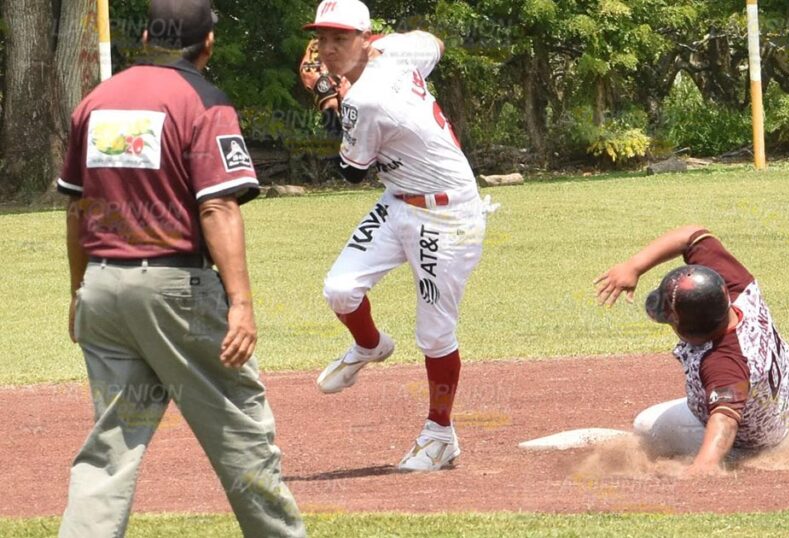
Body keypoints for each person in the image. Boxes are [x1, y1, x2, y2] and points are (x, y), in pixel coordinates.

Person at [57, 1, 305, 535]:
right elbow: (217, 206)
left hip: (102, 289)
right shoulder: (202, 101)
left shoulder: (97, 101)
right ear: (207, 43)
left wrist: (78, 290)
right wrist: (240, 302)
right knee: (239, 430)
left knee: (110, 446)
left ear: (147, 35)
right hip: (175, 291)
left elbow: (77, 208)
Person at [302, 0, 494, 472]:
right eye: (322, 37)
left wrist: (328, 99)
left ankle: (439, 434)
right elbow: (436, 44)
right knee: (341, 289)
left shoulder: (366, 99)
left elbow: (349, 172)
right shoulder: (397, 48)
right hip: (399, 199)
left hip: (447, 214)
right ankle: (370, 346)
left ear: (364, 39)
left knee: (434, 333)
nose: (327, 48)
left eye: (339, 39)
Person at [595, 225, 789, 476]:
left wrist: (704, 465)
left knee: (647, 425)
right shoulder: (738, 288)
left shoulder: (723, 361)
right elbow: (691, 235)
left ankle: (737, 455)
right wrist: (633, 266)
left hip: (761, 440)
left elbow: (724, 419)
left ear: (690, 331)